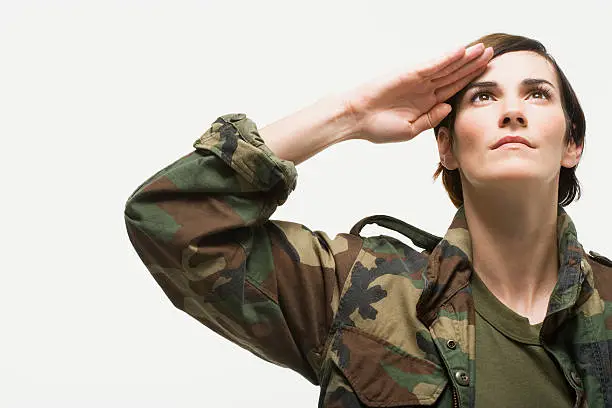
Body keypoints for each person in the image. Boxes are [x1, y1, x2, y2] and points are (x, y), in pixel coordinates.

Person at [123, 32, 612, 407]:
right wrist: (348, 115)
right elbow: (171, 217)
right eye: (483, 96)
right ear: (447, 146)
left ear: (573, 143)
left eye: (537, 94)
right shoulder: (357, 287)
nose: (511, 112)